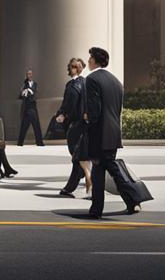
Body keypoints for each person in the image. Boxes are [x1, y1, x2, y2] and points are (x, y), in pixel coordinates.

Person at [83, 46, 141, 218]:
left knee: (110, 168)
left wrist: (87, 117)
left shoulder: (92, 79)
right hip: (113, 132)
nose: (88, 61)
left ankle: (133, 198)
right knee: (100, 169)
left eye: (90, 58)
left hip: (99, 133)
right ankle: (97, 209)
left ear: (94, 60)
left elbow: (95, 110)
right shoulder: (116, 81)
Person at [57, 57, 91, 198]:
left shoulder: (71, 85)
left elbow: (68, 104)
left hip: (75, 125)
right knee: (81, 155)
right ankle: (71, 187)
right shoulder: (85, 83)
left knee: (77, 155)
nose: (71, 69)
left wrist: (62, 115)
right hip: (85, 124)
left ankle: (89, 179)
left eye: (73, 66)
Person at [17, 69, 45, 146]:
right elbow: (20, 95)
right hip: (27, 107)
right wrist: (24, 92)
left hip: (32, 107)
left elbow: (35, 93)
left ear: (32, 75)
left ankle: (39, 142)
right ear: (26, 75)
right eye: (28, 74)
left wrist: (29, 90)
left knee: (36, 125)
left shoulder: (35, 84)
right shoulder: (24, 84)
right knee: (24, 126)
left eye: (30, 74)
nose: (29, 75)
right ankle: (20, 143)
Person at [0, 106, 18, 178]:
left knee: (0, 152)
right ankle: (6, 169)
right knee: (0, 151)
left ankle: (0, 169)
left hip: (0, 140)